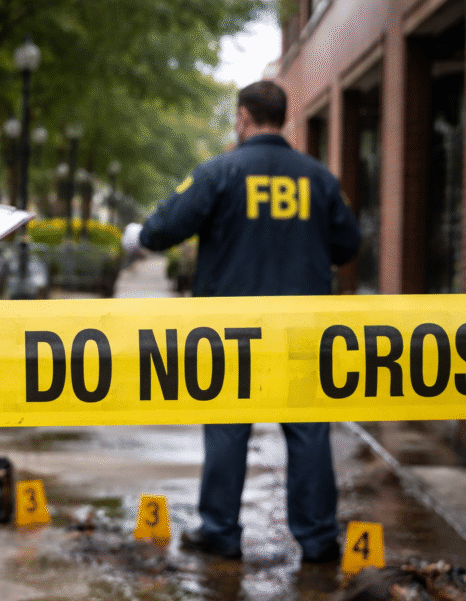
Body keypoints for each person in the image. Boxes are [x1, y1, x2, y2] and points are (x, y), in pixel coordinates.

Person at [139, 80, 361, 564]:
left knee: (227, 428)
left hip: (230, 332)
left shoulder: (220, 171)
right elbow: (348, 245)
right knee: (307, 432)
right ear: (282, 118)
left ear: (243, 117)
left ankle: (220, 531)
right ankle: (318, 537)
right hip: (303, 330)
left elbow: (158, 232)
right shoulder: (319, 178)